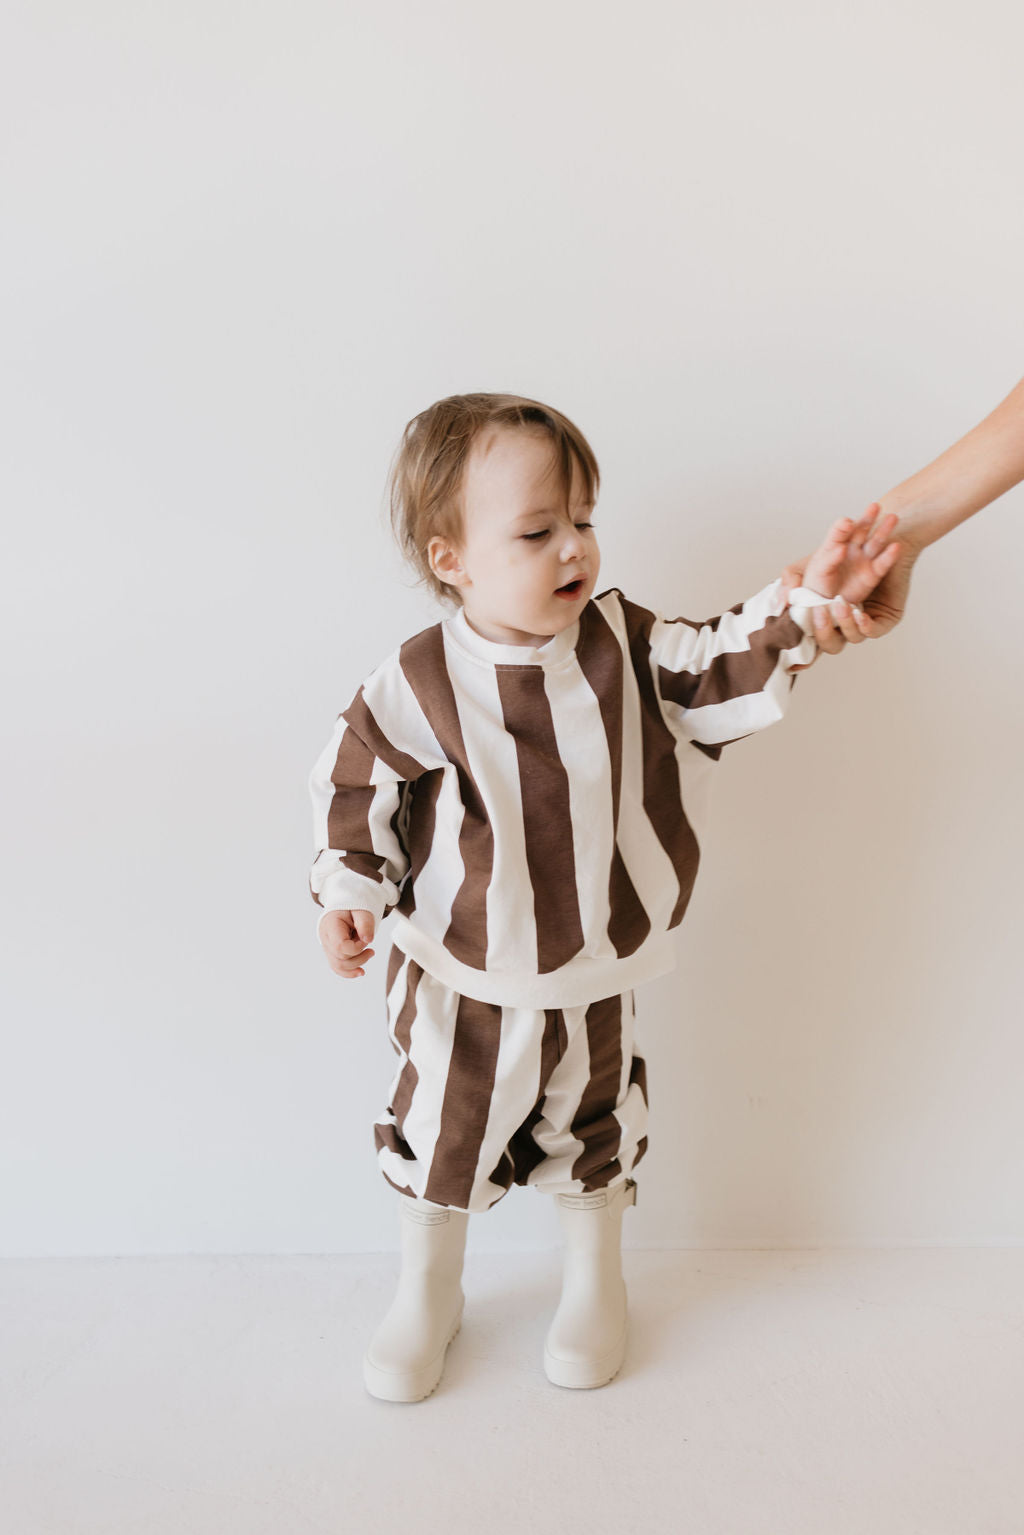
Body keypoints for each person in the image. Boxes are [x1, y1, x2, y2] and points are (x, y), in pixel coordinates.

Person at [307, 392, 907, 1404]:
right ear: (449, 556)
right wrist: (348, 889)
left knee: (591, 1119)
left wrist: (806, 607)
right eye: (538, 530)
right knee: (443, 1123)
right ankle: (428, 1287)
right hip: (459, 966)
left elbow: (718, 657)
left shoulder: (622, 643)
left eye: (583, 519)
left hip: (592, 961)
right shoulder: (417, 679)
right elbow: (355, 784)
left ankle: (594, 1277)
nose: (574, 547)